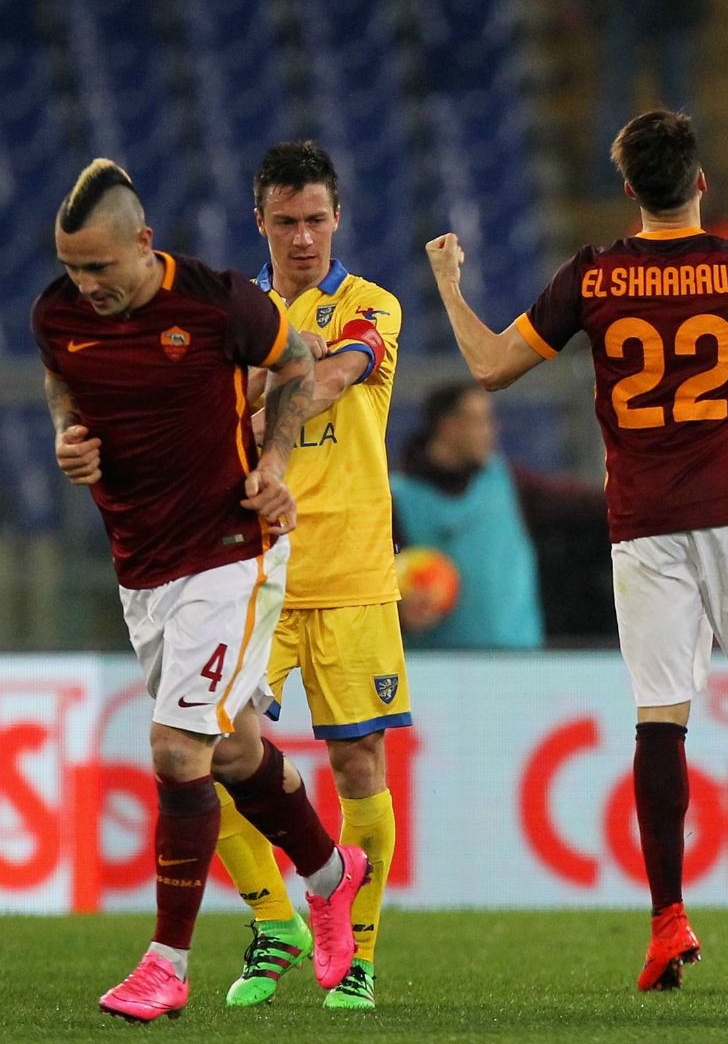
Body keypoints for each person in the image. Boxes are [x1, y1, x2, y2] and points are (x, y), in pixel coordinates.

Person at [423, 110, 728, 991]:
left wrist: (450, 283)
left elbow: (489, 366)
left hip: (644, 526)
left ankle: (668, 921)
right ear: (701, 183)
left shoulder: (592, 278)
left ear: (630, 188)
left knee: (659, 720)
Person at [34, 159, 366, 1023]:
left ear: (144, 244)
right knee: (229, 751)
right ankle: (333, 876)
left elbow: (296, 368)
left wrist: (277, 466)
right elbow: (63, 386)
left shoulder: (218, 304)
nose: (86, 286)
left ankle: (165, 965)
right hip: (142, 563)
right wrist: (68, 436)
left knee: (176, 751)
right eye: (74, 268)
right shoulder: (57, 315)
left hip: (233, 551)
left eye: (101, 268)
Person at [210, 141, 408, 1011]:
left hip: (355, 566)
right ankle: (273, 923)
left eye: (315, 220)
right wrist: (267, 369)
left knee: (360, 763)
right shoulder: (232, 311)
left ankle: (358, 954)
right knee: (215, 750)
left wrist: (268, 377)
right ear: (260, 221)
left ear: (338, 219)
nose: (302, 238)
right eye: (285, 222)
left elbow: (330, 378)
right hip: (251, 568)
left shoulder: (374, 305)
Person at [389, 382, 546, 649]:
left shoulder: (507, 480)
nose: (492, 430)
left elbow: (578, 505)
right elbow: (372, 586)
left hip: (521, 665)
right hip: (438, 670)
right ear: (449, 426)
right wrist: (400, 616)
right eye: (480, 420)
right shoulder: (395, 499)